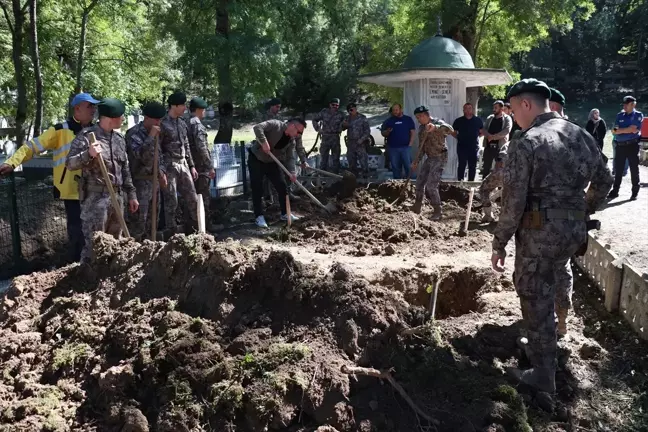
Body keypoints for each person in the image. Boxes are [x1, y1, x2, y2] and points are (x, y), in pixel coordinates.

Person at [491, 79, 612, 396]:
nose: (513, 116)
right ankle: (551, 337)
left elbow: (513, 202)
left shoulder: (527, 141)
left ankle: (543, 375)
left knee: (535, 296)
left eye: (514, 109)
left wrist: (500, 241)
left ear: (526, 105)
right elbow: (605, 181)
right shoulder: (580, 135)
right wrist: (581, 210)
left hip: (540, 232)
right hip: (574, 232)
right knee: (558, 275)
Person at [0, 93, 99, 261]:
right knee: (76, 231)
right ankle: (77, 267)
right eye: (90, 106)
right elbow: (32, 147)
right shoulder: (61, 130)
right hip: (71, 190)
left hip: (95, 189)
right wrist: (12, 162)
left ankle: (94, 263)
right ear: (77, 108)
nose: (93, 110)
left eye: (94, 106)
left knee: (95, 231)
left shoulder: (97, 130)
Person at [65, 98, 140, 263]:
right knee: (94, 245)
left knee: (116, 243)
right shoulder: (86, 137)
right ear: (110, 118)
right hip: (95, 200)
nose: (122, 119)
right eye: (121, 116)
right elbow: (70, 164)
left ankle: (109, 282)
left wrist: (132, 195)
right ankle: (86, 280)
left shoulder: (119, 139)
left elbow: (125, 169)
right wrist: (88, 154)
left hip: (117, 197)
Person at [250, 118, 308, 228]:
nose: (299, 135)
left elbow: (290, 157)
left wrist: (292, 172)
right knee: (257, 188)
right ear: (292, 126)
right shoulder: (275, 125)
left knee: (282, 186)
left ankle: (285, 213)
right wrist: (264, 142)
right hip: (257, 159)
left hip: (272, 162)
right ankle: (259, 216)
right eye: (299, 131)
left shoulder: (291, 141)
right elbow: (257, 127)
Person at [125, 101, 168, 241]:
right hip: (140, 183)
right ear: (147, 118)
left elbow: (160, 156)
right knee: (138, 224)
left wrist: (161, 171)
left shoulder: (157, 133)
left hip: (154, 182)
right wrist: (150, 137)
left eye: (160, 120)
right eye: (156, 119)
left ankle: (150, 252)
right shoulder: (134, 134)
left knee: (152, 223)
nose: (158, 122)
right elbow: (141, 156)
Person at [160, 91, 199, 233]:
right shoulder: (163, 124)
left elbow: (186, 145)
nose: (185, 108)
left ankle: (196, 231)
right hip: (169, 166)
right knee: (171, 203)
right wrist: (161, 170)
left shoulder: (182, 124)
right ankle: (172, 235)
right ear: (174, 106)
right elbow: (158, 149)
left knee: (192, 198)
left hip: (183, 165)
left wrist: (192, 165)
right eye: (182, 105)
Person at [411, 106, 453, 220]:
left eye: (419, 117)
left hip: (440, 157)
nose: (418, 119)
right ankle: (417, 206)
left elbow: (450, 130)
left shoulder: (438, 123)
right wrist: (416, 161)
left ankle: (438, 211)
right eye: (417, 117)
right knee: (419, 182)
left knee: (431, 186)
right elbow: (422, 147)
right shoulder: (421, 128)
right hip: (430, 158)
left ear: (426, 115)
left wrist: (435, 127)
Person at [186, 97, 216, 231]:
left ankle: (194, 226)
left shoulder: (185, 122)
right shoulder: (197, 124)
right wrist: (209, 165)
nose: (204, 112)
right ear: (198, 110)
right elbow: (201, 147)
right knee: (203, 197)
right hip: (200, 166)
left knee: (192, 197)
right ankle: (206, 227)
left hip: (191, 165)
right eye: (203, 109)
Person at [608, 96, 642, 201]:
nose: (624, 106)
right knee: (618, 169)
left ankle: (634, 192)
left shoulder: (638, 115)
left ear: (633, 105)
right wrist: (626, 129)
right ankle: (615, 191)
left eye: (627, 104)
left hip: (632, 145)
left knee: (634, 169)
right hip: (620, 146)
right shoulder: (619, 115)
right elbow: (614, 130)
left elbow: (634, 129)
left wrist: (620, 130)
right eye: (624, 104)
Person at [381, 103, 416, 179]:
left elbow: (412, 132)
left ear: (401, 109)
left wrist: (410, 144)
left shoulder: (408, 119)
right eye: (393, 110)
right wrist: (387, 132)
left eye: (396, 110)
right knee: (395, 166)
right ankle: (397, 183)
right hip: (393, 148)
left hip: (406, 147)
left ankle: (412, 183)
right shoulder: (388, 121)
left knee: (408, 166)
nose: (395, 112)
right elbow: (383, 133)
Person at [451, 102, 483, 181]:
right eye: (466, 108)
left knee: (472, 166)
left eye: (470, 108)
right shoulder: (458, 121)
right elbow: (453, 132)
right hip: (462, 147)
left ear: (472, 110)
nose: (468, 110)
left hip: (473, 147)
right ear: (463, 110)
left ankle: (471, 184)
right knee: (462, 165)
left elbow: (481, 132)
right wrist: (459, 138)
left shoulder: (478, 120)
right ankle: (460, 183)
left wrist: (475, 137)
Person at [312, 98, 345, 173]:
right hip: (325, 137)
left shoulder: (341, 114)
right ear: (330, 105)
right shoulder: (324, 112)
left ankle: (335, 176)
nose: (335, 107)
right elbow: (314, 119)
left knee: (336, 158)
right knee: (324, 158)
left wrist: (342, 127)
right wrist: (318, 129)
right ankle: (323, 175)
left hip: (335, 137)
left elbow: (345, 123)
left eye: (337, 105)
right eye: (333, 105)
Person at [481, 100, 512, 178]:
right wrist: (488, 136)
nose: (494, 109)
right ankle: (484, 187)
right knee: (486, 168)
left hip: (500, 147)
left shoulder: (507, 118)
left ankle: (500, 188)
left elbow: (507, 130)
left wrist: (493, 137)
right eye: (493, 107)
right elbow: (483, 129)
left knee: (500, 168)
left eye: (496, 108)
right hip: (488, 147)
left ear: (501, 108)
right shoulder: (490, 118)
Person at [343, 103, 370, 177]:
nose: (353, 110)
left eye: (354, 108)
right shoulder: (347, 118)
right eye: (351, 109)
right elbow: (342, 128)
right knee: (351, 162)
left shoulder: (362, 117)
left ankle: (366, 179)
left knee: (363, 162)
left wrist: (361, 140)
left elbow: (367, 131)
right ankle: (354, 179)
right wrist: (344, 125)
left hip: (360, 143)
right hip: (351, 143)